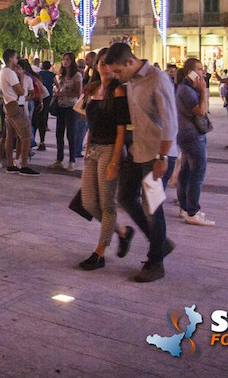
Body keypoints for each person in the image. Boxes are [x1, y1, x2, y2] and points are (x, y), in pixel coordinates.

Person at [106, 43, 177, 283]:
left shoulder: (157, 79)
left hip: (158, 154)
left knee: (152, 207)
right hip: (138, 151)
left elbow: (170, 123)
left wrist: (162, 158)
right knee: (125, 196)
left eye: (118, 71)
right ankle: (160, 242)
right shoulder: (132, 81)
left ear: (130, 62)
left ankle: (156, 262)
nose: (117, 76)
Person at [77, 49, 134, 270]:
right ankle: (122, 231)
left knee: (107, 204)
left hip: (110, 150)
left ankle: (100, 252)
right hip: (93, 149)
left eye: (108, 64)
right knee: (89, 202)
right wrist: (87, 147)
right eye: (101, 63)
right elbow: (90, 123)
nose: (105, 67)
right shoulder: (92, 89)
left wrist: (115, 161)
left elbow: (121, 130)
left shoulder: (118, 91)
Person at [175, 58, 214, 226]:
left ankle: (185, 207)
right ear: (189, 72)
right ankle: (192, 211)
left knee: (185, 172)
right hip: (192, 136)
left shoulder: (186, 87)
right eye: (199, 69)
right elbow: (201, 111)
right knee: (197, 174)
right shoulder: (187, 90)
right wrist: (203, 91)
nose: (202, 72)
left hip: (187, 135)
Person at [0, 48, 39, 176]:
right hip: (16, 107)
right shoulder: (10, 73)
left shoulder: (2, 72)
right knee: (26, 136)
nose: (17, 60)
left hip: (8, 105)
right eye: (15, 57)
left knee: (10, 136)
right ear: (11, 59)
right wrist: (21, 77)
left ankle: (10, 164)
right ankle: (24, 166)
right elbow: (21, 91)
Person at [49, 52, 82, 171]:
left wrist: (63, 93)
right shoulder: (62, 74)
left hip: (71, 107)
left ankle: (72, 160)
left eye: (67, 59)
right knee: (59, 133)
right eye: (64, 59)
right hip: (61, 106)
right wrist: (58, 90)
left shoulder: (76, 75)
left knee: (71, 134)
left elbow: (78, 92)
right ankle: (59, 159)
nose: (65, 61)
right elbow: (60, 88)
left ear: (72, 61)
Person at [36, 60, 55, 151]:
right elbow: (56, 83)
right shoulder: (52, 74)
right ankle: (45, 124)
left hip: (39, 95)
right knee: (45, 111)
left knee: (39, 114)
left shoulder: (39, 74)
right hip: (48, 94)